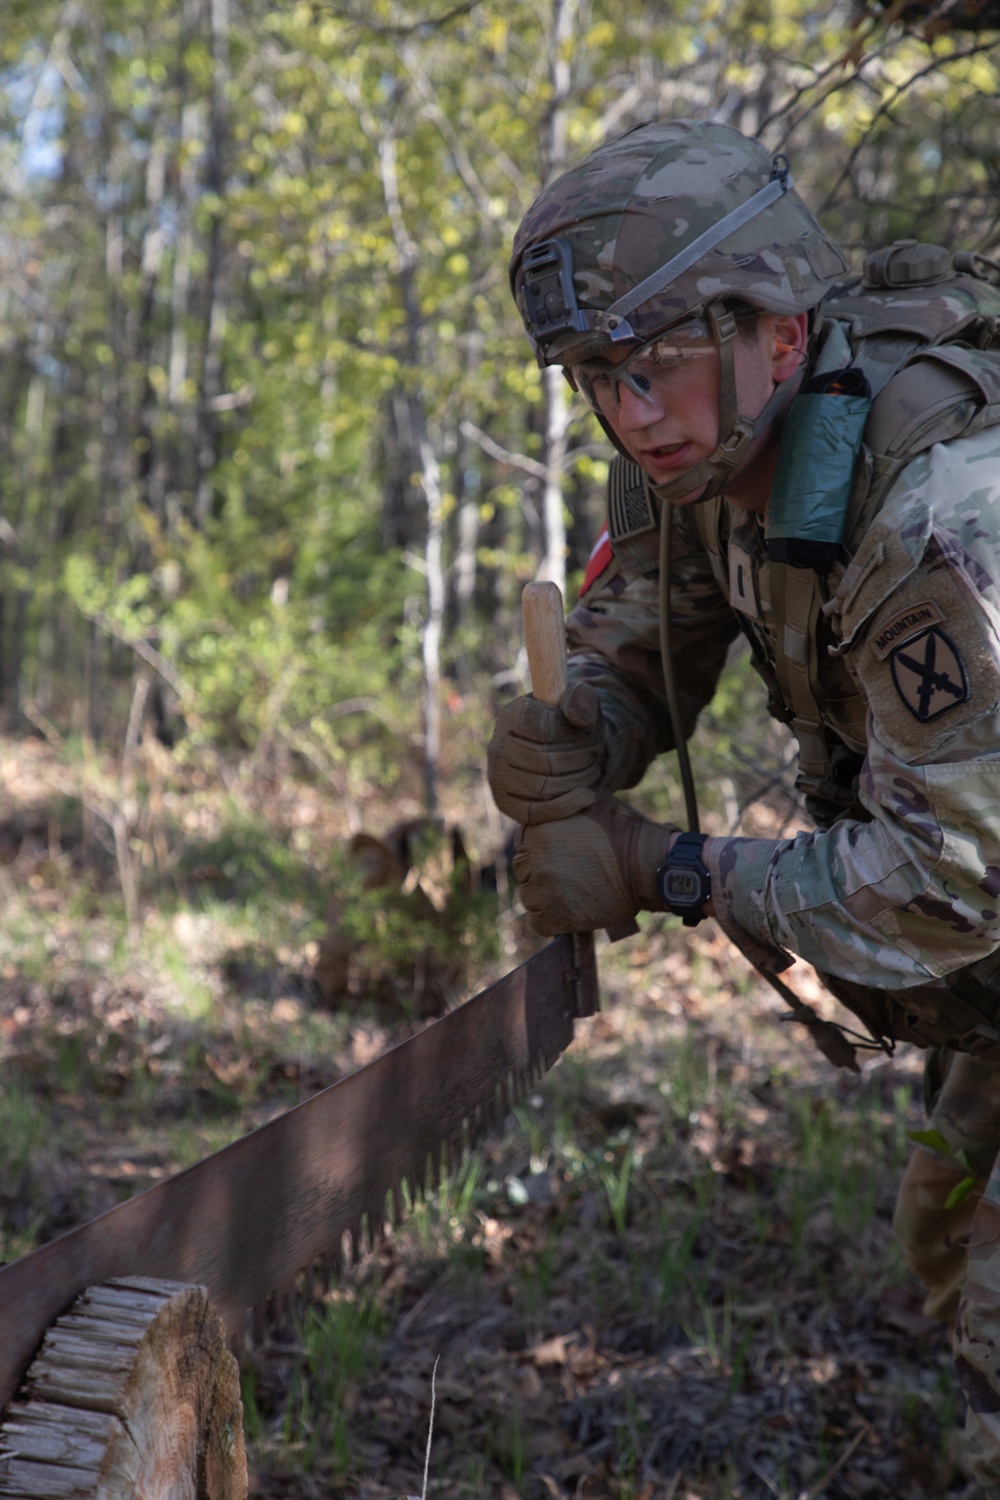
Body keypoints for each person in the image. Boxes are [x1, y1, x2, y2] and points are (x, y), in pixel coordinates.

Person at [487, 117, 1000, 1496]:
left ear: (780, 331)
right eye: (598, 379)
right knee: (950, 1257)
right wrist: (579, 730)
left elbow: (957, 887)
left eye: (650, 370)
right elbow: (641, 639)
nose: (627, 413)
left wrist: (663, 869)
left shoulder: (941, 507)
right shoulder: (701, 461)